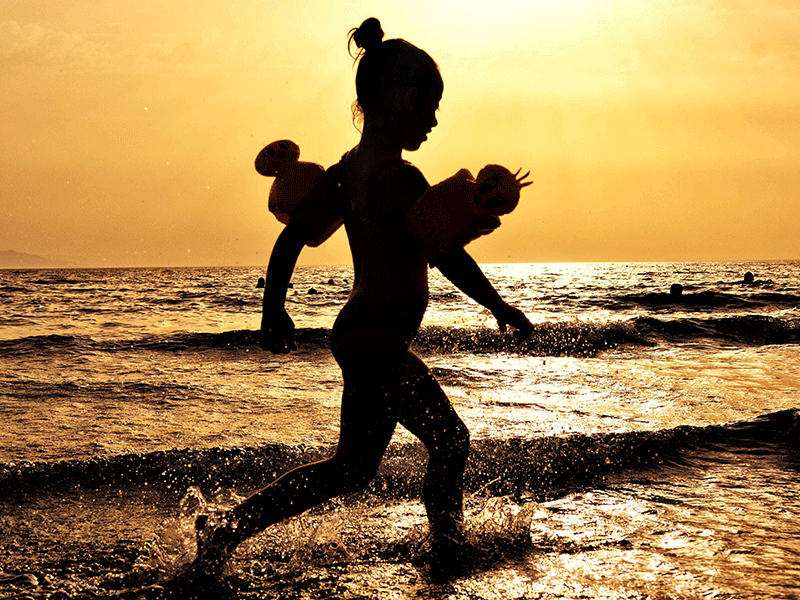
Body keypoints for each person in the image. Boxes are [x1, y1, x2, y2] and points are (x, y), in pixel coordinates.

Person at [192, 17, 533, 578]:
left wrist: (273, 306)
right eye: (427, 103)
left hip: (366, 335)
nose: (433, 118)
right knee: (354, 467)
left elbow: (289, 239)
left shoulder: (347, 173)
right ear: (393, 99)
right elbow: (444, 250)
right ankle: (230, 529)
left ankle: (446, 544)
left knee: (448, 440)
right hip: (375, 338)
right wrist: (496, 305)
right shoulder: (398, 179)